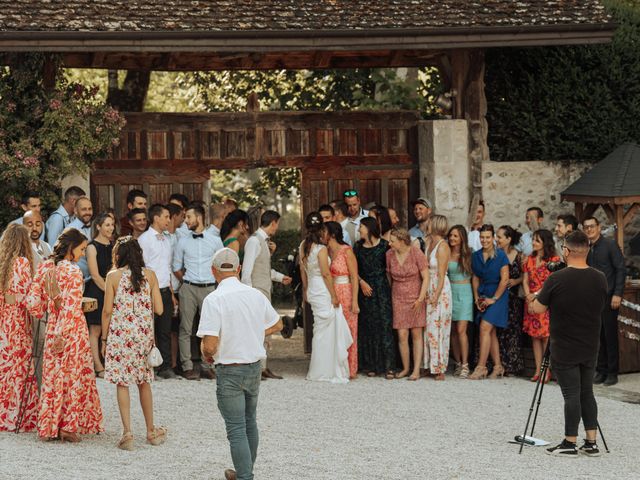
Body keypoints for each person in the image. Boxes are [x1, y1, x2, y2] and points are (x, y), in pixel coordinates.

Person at [198, 248, 283, 480]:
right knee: (249, 422)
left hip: (230, 369)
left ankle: (245, 477)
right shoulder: (255, 294)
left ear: (213, 271)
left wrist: (207, 355)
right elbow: (277, 325)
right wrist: (254, 333)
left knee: (236, 428)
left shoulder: (213, 299)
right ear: (238, 269)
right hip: (254, 367)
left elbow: (210, 346)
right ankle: (245, 471)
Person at [531, 231, 607, 457]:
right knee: (587, 392)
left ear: (566, 251)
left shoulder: (556, 279)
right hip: (591, 343)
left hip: (564, 344)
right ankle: (591, 443)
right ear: (587, 250)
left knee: (571, 394)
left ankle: (569, 442)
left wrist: (536, 295)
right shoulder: (600, 277)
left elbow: (538, 309)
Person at [27, 228, 103, 441]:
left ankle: (50, 426)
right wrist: (64, 333)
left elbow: (33, 305)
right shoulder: (73, 272)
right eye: (81, 250)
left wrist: (50, 308)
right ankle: (68, 427)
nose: (82, 255)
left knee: (54, 378)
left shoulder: (45, 268)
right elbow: (71, 309)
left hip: (52, 329)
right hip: (72, 332)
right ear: (70, 248)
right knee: (72, 378)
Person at [101, 236, 167, 451]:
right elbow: (159, 309)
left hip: (120, 336)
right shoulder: (150, 276)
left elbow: (107, 311)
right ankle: (151, 431)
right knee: (144, 383)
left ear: (118, 256)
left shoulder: (113, 276)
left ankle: (127, 432)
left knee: (122, 383)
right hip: (143, 337)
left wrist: (103, 338)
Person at [300, 213, 353, 383]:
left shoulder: (303, 246)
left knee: (320, 329)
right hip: (322, 290)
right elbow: (325, 274)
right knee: (325, 330)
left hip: (313, 290)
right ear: (321, 230)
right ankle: (326, 369)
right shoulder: (321, 249)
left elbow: (303, 270)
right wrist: (334, 295)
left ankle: (319, 368)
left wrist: (306, 289)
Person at [173, 203, 224, 380]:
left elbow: (221, 264)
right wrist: (187, 283)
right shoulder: (183, 241)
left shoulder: (215, 240)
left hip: (210, 288)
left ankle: (207, 365)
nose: (185, 220)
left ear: (199, 218)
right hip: (188, 287)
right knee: (185, 328)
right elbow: (176, 267)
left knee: (210, 328)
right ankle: (187, 366)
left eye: (189, 217)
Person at [241, 210, 292, 380]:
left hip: (263, 290)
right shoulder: (254, 242)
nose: (277, 228)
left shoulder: (263, 242)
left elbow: (262, 268)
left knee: (265, 329)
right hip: (256, 291)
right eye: (277, 224)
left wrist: (279, 277)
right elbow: (247, 272)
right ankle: (255, 368)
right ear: (273, 223)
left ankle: (263, 367)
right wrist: (249, 295)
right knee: (256, 330)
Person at [0, 224, 38, 432]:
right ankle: (19, 417)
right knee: (21, 369)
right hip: (19, 321)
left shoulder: (2, 264)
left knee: (5, 368)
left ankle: (4, 415)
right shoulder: (23, 263)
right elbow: (28, 298)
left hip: (4, 321)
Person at [583, 216, 626, 387]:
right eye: (586, 227)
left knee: (609, 335)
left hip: (608, 298)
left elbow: (620, 269)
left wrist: (617, 293)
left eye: (592, 226)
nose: (589, 230)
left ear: (599, 227)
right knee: (596, 335)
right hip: (592, 299)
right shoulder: (585, 248)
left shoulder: (609, 245)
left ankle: (612, 372)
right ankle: (600, 370)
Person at [138, 204, 177, 379]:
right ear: (156, 218)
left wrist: (172, 292)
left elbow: (166, 268)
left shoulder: (167, 240)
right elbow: (142, 267)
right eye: (167, 216)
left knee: (165, 330)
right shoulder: (144, 239)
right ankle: (147, 366)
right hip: (149, 290)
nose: (169, 220)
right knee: (148, 330)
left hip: (165, 290)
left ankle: (165, 366)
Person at [354, 217, 396, 377]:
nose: (359, 230)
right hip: (365, 289)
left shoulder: (385, 246)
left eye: (361, 227)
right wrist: (361, 282)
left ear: (369, 228)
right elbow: (353, 269)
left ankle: (389, 366)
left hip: (382, 289)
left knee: (384, 326)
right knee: (368, 326)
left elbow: (391, 268)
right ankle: (371, 365)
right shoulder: (357, 247)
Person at [387, 227, 429, 381]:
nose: (389, 244)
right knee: (402, 334)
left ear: (402, 241)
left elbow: (426, 277)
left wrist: (420, 299)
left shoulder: (416, 253)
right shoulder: (389, 255)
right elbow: (388, 276)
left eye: (392, 241)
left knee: (416, 334)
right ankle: (405, 368)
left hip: (415, 297)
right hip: (398, 297)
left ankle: (416, 370)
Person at [470, 224, 509, 380]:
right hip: (483, 294)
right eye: (482, 237)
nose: (484, 240)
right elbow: (475, 278)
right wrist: (476, 298)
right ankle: (498, 366)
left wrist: (493, 299)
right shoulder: (476, 255)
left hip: (498, 295)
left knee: (485, 327)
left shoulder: (500, 255)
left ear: (493, 238)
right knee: (490, 331)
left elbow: (505, 279)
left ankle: (481, 368)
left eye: (487, 237)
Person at [523, 229, 560, 382]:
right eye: (533, 240)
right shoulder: (529, 259)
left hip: (545, 300)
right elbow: (525, 279)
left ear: (545, 242)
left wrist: (536, 295)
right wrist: (528, 297)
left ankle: (546, 370)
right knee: (534, 337)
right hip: (530, 301)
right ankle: (538, 370)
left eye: (537, 240)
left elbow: (551, 282)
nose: (533, 243)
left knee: (545, 336)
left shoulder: (554, 260)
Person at [326, 221, 360, 379]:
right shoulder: (325, 251)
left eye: (324, 231)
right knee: (334, 330)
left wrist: (355, 301)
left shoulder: (346, 250)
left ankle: (350, 368)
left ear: (332, 234)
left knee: (349, 330)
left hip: (346, 291)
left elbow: (354, 276)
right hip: (331, 293)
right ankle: (335, 365)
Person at [22, 210, 52, 385]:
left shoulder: (47, 247)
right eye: (30, 224)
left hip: (47, 308)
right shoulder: (22, 250)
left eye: (38, 223)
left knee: (45, 350)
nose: (34, 228)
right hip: (31, 308)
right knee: (35, 349)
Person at [84, 212, 115, 378]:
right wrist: (109, 291)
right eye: (107, 225)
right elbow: (94, 275)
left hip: (112, 289)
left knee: (110, 328)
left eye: (112, 224)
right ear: (98, 227)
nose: (111, 228)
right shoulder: (91, 247)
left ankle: (109, 363)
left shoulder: (114, 245)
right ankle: (97, 365)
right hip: (97, 290)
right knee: (95, 329)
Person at [424, 215, 453, 380]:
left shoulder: (442, 247)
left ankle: (440, 366)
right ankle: (430, 364)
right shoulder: (429, 243)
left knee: (439, 326)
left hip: (439, 288)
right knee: (429, 327)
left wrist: (435, 296)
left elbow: (442, 275)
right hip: (429, 284)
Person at [495, 225, 525, 376]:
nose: (497, 239)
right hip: (498, 295)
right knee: (498, 331)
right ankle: (497, 364)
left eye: (499, 237)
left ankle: (511, 365)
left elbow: (525, 275)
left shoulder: (519, 256)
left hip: (513, 299)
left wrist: (516, 281)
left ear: (508, 239)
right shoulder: (495, 254)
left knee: (512, 332)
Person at [447, 225, 473, 379]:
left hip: (465, 292)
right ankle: (456, 362)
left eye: (455, 236)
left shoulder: (469, 254)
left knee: (462, 330)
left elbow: (476, 276)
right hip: (450, 291)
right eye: (451, 235)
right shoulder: (446, 252)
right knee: (453, 332)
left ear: (462, 237)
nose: (452, 238)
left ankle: (465, 363)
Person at [68, 196, 94, 282]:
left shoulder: (95, 228)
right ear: (75, 211)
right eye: (84, 209)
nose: (88, 212)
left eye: (90, 209)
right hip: (77, 280)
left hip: (92, 280)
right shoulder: (70, 230)